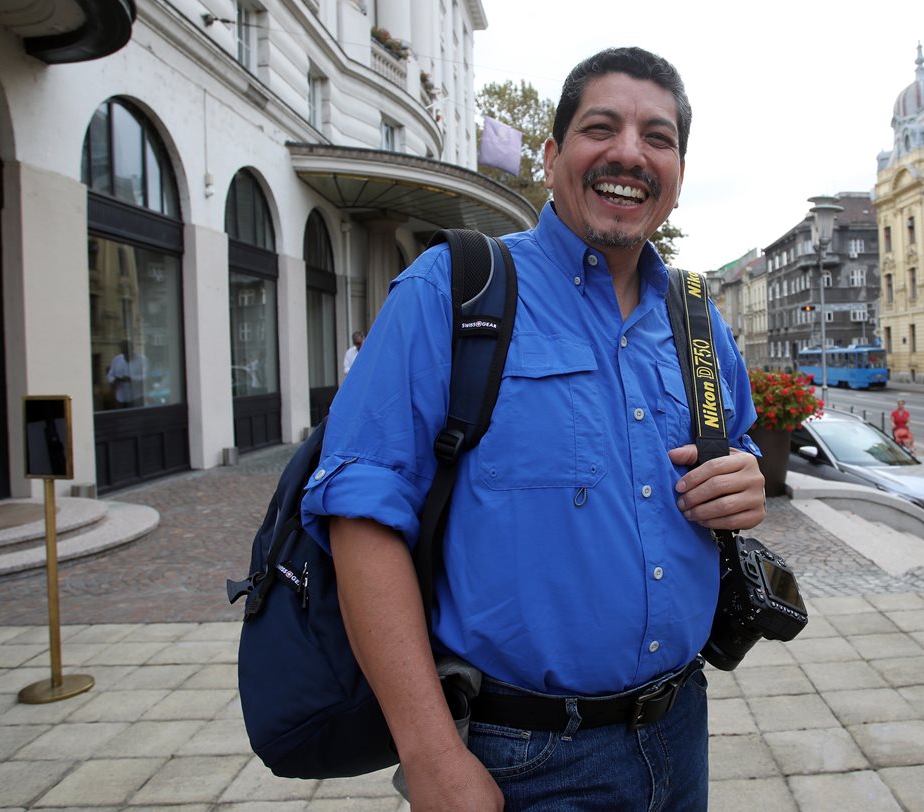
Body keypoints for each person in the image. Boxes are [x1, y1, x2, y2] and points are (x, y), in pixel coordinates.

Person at [301, 47, 765, 811]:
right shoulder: (453, 291)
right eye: (600, 128)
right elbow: (359, 517)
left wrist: (743, 480)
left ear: (678, 174)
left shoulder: (695, 318)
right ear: (551, 157)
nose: (629, 153)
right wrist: (430, 755)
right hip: (520, 757)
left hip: (680, 732)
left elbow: (738, 447)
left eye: (659, 137)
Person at [106, 341, 147, 408]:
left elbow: (146, 377)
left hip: (137, 399)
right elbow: (110, 375)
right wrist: (114, 380)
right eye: (123, 350)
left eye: (127, 350)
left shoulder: (143, 360)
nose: (125, 352)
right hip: (121, 400)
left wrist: (131, 379)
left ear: (132, 349)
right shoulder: (116, 360)